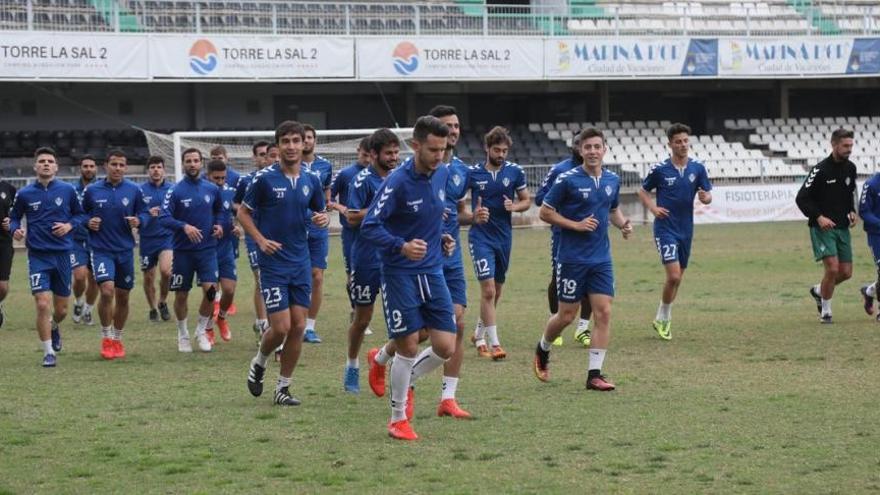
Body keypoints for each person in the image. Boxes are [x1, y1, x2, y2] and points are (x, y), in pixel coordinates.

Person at [361, 115, 457, 441]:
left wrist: (442, 236)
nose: (439, 156)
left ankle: (383, 361)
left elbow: (431, 216)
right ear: (415, 146)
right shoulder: (397, 182)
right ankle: (398, 418)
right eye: (432, 149)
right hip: (399, 271)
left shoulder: (442, 173)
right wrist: (401, 246)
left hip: (432, 270)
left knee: (445, 345)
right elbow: (370, 225)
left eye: (443, 149)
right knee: (410, 344)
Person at [533, 127, 632, 391]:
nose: (592, 151)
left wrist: (623, 224)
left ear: (604, 150)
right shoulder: (567, 179)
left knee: (604, 312)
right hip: (571, 257)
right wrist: (574, 225)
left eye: (597, 147)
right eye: (587, 147)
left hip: (601, 258)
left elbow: (612, 209)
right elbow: (545, 212)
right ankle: (543, 348)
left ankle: (594, 375)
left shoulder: (612, 179)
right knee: (566, 316)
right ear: (580, 150)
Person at [243, 120, 329, 406]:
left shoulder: (311, 179)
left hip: (300, 261)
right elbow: (243, 214)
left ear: (304, 144)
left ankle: (283, 388)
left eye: (296, 141)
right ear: (277, 146)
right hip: (274, 263)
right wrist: (260, 239)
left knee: (299, 326)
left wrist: (323, 217)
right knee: (280, 327)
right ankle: (259, 362)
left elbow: (320, 210)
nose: (292, 146)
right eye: (286, 141)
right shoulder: (264, 179)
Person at [7, 147, 86, 367]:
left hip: (62, 254)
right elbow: (13, 218)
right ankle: (48, 352)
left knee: (60, 310)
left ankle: (54, 326)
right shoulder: (24, 194)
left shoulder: (67, 190)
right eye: (42, 161)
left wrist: (69, 225)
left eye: (50, 161)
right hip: (38, 256)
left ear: (56, 166)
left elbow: (80, 214)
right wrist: (16, 230)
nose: (46, 164)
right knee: (42, 304)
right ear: (35, 166)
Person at [638, 123, 712, 339]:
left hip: (686, 229)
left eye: (685, 141)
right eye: (678, 141)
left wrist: (705, 197)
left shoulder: (697, 168)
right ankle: (665, 317)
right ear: (670, 144)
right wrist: (652, 208)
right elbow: (642, 191)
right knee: (673, 276)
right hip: (665, 229)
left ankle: (661, 318)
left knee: (678, 278)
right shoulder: (660, 169)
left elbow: (707, 194)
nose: (683, 145)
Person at [342, 129, 400, 393]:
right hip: (366, 258)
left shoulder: (401, 178)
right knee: (363, 318)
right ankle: (352, 364)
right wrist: (382, 209)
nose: (394, 157)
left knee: (399, 320)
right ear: (374, 154)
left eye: (396, 152)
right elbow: (352, 217)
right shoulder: (361, 180)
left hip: (395, 258)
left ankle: (392, 370)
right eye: (388, 153)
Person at [466, 126, 530, 360]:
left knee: (497, 291)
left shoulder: (515, 172)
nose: (501, 154)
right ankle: (493, 343)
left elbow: (526, 201)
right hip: (480, 237)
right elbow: (459, 206)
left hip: (504, 238)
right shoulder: (472, 174)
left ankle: (477, 333)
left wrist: (514, 207)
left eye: (504, 150)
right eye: (497, 149)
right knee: (488, 290)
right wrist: (473, 214)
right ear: (487, 148)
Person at [82, 150, 148, 360]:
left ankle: (118, 338)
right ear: (106, 166)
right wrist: (87, 222)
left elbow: (144, 213)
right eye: (114, 164)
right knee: (107, 291)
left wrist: (139, 221)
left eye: (121, 165)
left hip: (125, 251)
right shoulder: (92, 190)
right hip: (101, 250)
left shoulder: (134, 190)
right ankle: (106, 336)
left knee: (123, 296)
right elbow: (79, 214)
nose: (118, 168)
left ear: (125, 167)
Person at [160, 148, 223, 352]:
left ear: (201, 163)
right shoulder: (175, 191)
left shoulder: (212, 189)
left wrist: (220, 225)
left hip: (207, 250)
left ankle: (201, 330)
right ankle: (182, 333)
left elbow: (220, 211)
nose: (192, 164)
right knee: (181, 295)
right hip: (183, 252)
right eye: (188, 161)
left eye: (196, 160)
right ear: (183, 164)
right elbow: (164, 217)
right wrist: (184, 226)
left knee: (211, 292)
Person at [534, 138, 593, 347]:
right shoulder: (560, 170)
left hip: (590, 234)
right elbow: (540, 198)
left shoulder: (597, 172)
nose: (585, 149)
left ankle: (583, 328)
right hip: (563, 234)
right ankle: (555, 322)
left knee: (590, 281)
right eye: (580, 145)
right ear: (575, 147)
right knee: (557, 278)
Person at [796, 128, 857, 324]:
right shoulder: (820, 170)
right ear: (834, 144)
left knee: (846, 273)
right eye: (845, 146)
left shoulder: (851, 168)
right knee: (832, 269)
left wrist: (852, 210)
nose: (849, 149)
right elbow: (801, 198)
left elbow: (849, 193)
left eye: (851, 146)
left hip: (842, 227)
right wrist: (819, 217)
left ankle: (818, 291)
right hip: (822, 228)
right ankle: (826, 312)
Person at [328, 137, 371, 314]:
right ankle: (355, 309)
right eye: (364, 155)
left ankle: (364, 310)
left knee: (371, 274)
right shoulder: (345, 173)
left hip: (372, 233)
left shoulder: (379, 174)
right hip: (351, 232)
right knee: (352, 274)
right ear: (357, 151)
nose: (367, 159)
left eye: (371, 156)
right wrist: (342, 208)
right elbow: (329, 199)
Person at [234, 140, 271, 342]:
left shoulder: (279, 178)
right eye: (261, 154)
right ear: (255, 157)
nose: (264, 158)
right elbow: (236, 203)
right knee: (260, 278)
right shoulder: (246, 180)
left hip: (276, 236)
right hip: (253, 235)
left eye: (268, 154)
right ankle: (263, 323)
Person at [301, 124, 333, 344]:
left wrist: (325, 211)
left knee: (317, 277)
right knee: (297, 276)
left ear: (315, 140)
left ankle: (310, 327)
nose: (306, 141)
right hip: (294, 227)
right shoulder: (289, 166)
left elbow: (326, 197)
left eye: (310, 137)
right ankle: (294, 323)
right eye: (302, 137)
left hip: (318, 229)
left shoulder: (325, 166)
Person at [205, 159, 240, 343]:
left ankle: (222, 318)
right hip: (207, 249)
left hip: (226, 248)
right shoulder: (201, 192)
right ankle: (208, 327)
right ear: (208, 175)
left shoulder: (229, 192)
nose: (220, 182)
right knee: (211, 292)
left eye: (223, 178)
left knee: (229, 290)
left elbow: (234, 214)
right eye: (216, 178)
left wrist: (235, 227)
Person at [139, 156, 174, 322]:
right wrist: (145, 214)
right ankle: (152, 308)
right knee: (148, 277)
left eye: (159, 167)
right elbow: (134, 212)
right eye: (152, 167)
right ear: (148, 171)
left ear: (164, 170)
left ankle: (162, 301)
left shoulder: (172, 190)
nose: (156, 170)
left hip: (166, 238)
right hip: (147, 239)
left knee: (167, 272)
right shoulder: (140, 191)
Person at [71, 155, 99, 326]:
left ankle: (88, 309)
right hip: (77, 240)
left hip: (98, 239)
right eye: (85, 166)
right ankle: (78, 301)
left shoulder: (102, 188)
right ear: (80, 169)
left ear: (96, 168)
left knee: (95, 278)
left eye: (91, 166)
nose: (88, 169)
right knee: (80, 277)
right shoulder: (72, 191)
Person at [0, 177, 13, 328]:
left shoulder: (8, 188)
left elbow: (15, 212)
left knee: (2, 287)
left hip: (3, 242)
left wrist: (11, 221)